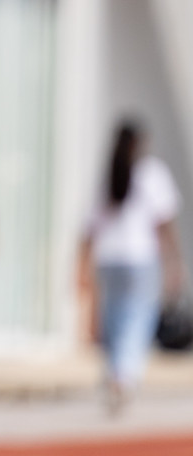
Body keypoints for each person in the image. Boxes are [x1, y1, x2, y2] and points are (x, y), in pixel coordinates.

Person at [79, 119, 185, 413]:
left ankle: (115, 373)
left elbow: (88, 228)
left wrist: (82, 265)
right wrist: (175, 262)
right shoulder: (151, 173)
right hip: (139, 258)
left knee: (114, 322)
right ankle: (122, 377)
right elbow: (164, 222)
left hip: (108, 258)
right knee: (137, 321)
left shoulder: (109, 175)